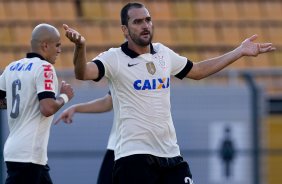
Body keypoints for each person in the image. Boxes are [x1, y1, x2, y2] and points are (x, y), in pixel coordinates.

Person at [63, 2, 275, 184]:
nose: (145, 25)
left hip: (170, 155)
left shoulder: (163, 53)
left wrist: (240, 51)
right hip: (134, 157)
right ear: (125, 30)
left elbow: (198, 71)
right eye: (137, 22)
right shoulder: (114, 58)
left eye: (147, 20)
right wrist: (80, 47)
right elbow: (83, 73)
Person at [0, 23, 74, 184]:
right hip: (28, 154)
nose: (60, 50)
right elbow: (47, 108)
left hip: (21, 152)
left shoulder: (11, 67)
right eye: (58, 45)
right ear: (45, 45)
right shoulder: (44, 67)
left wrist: (21, 102)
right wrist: (65, 96)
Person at [54, 92, 114, 184]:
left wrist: (64, 97)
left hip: (139, 148)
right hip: (117, 148)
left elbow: (47, 108)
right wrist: (75, 108)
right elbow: (108, 102)